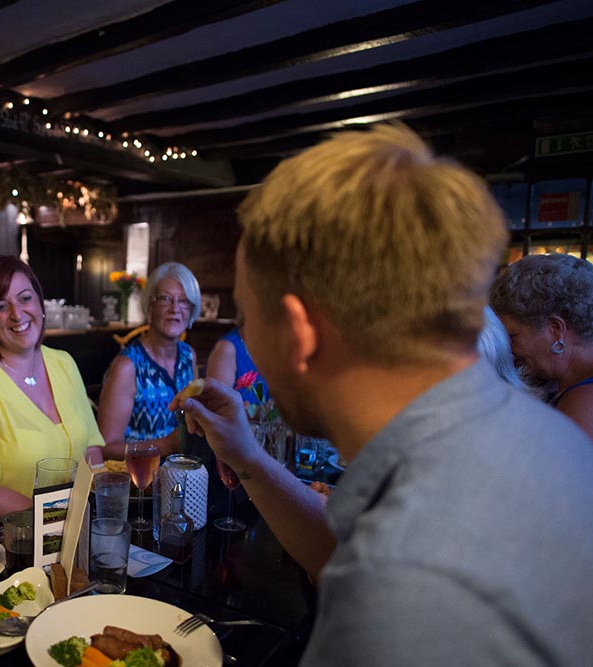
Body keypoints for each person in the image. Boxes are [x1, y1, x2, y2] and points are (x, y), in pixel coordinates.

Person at [173, 124, 593, 666]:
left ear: (301, 333)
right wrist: (246, 454)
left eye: (248, 318)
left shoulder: (400, 597)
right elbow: (340, 548)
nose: (245, 336)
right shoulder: (518, 428)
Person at [0, 256, 104, 524]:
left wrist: (94, 510)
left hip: (63, 530)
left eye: (25, 298)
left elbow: (92, 450)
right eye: (1, 306)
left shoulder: (63, 363)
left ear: (40, 303)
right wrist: (58, 520)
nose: (17, 314)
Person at [98, 262, 200, 460]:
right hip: (140, 482)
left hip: (181, 474)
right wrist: (165, 445)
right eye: (165, 299)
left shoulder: (189, 356)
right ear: (149, 307)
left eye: (184, 301)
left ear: (191, 311)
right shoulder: (127, 366)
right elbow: (107, 448)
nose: (175, 309)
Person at [490, 253, 593, 438]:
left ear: (555, 329)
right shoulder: (572, 389)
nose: (509, 350)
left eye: (512, 336)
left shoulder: (583, 404)